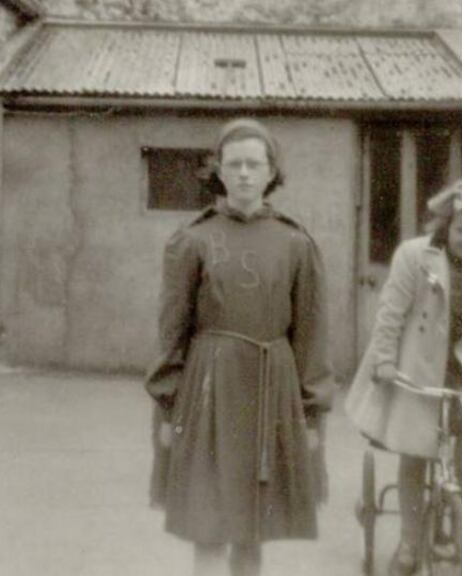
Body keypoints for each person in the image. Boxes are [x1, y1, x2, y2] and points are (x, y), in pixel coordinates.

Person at [145, 118, 335, 576]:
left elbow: (311, 335)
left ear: (272, 172)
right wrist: (168, 409)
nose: (245, 174)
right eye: (235, 165)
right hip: (207, 392)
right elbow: (172, 330)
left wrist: (312, 414)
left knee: (253, 528)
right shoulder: (192, 240)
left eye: (255, 164)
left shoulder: (296, 243)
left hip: (272, 393)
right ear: (219, 172)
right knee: (207, 523)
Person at [344, 179, 462, 575]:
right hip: (414, 364)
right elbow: (391, 313)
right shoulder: (414, 256)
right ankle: (409, 542)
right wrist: (384, 361)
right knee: (416, 451)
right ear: (445, 226)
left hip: (461, 366)